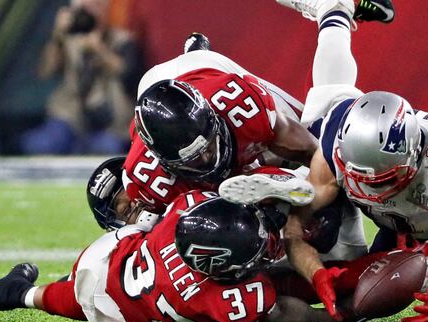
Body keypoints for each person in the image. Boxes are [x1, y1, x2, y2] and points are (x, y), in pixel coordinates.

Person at [225, 0, 428, 322]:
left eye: (380, 180)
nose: (367, 188)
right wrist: (316, 273)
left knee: (387, 288)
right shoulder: (337, 140)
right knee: (311, 217)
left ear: (411, 161)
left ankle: (424, 251)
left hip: (413, 225)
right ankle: (334, 8)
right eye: (359, 178)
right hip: (335, 160)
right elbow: (296, 233)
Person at [0, 158, 357, 322]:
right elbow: (283, 312)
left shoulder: (184, 207)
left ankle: (20, 291)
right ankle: (19, 293)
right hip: (112, 290)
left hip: (125, 250)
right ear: (220, 273)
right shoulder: (212, 297)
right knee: (74, 297)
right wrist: (338, 318)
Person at [122, 32, 319, 215]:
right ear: (163, 161)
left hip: (205, 68)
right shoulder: (144, 175)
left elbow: (313, 151)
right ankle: (272, 174)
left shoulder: (238, 102)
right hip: (155, 85)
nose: (209, 156)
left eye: (209, 144)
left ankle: (331, 14)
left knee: (315, 128)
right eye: (195, 159)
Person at [21, 0, 139, 154]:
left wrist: (100, 50)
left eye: (97, 7)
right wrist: (57, 35)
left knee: (106, 148)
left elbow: (130, 75)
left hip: (111, 122)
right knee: (38, 145)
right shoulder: (69, 39)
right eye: (86, 8)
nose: (92, 13)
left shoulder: (121, 39)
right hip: (71, 117)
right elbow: (45, 71)